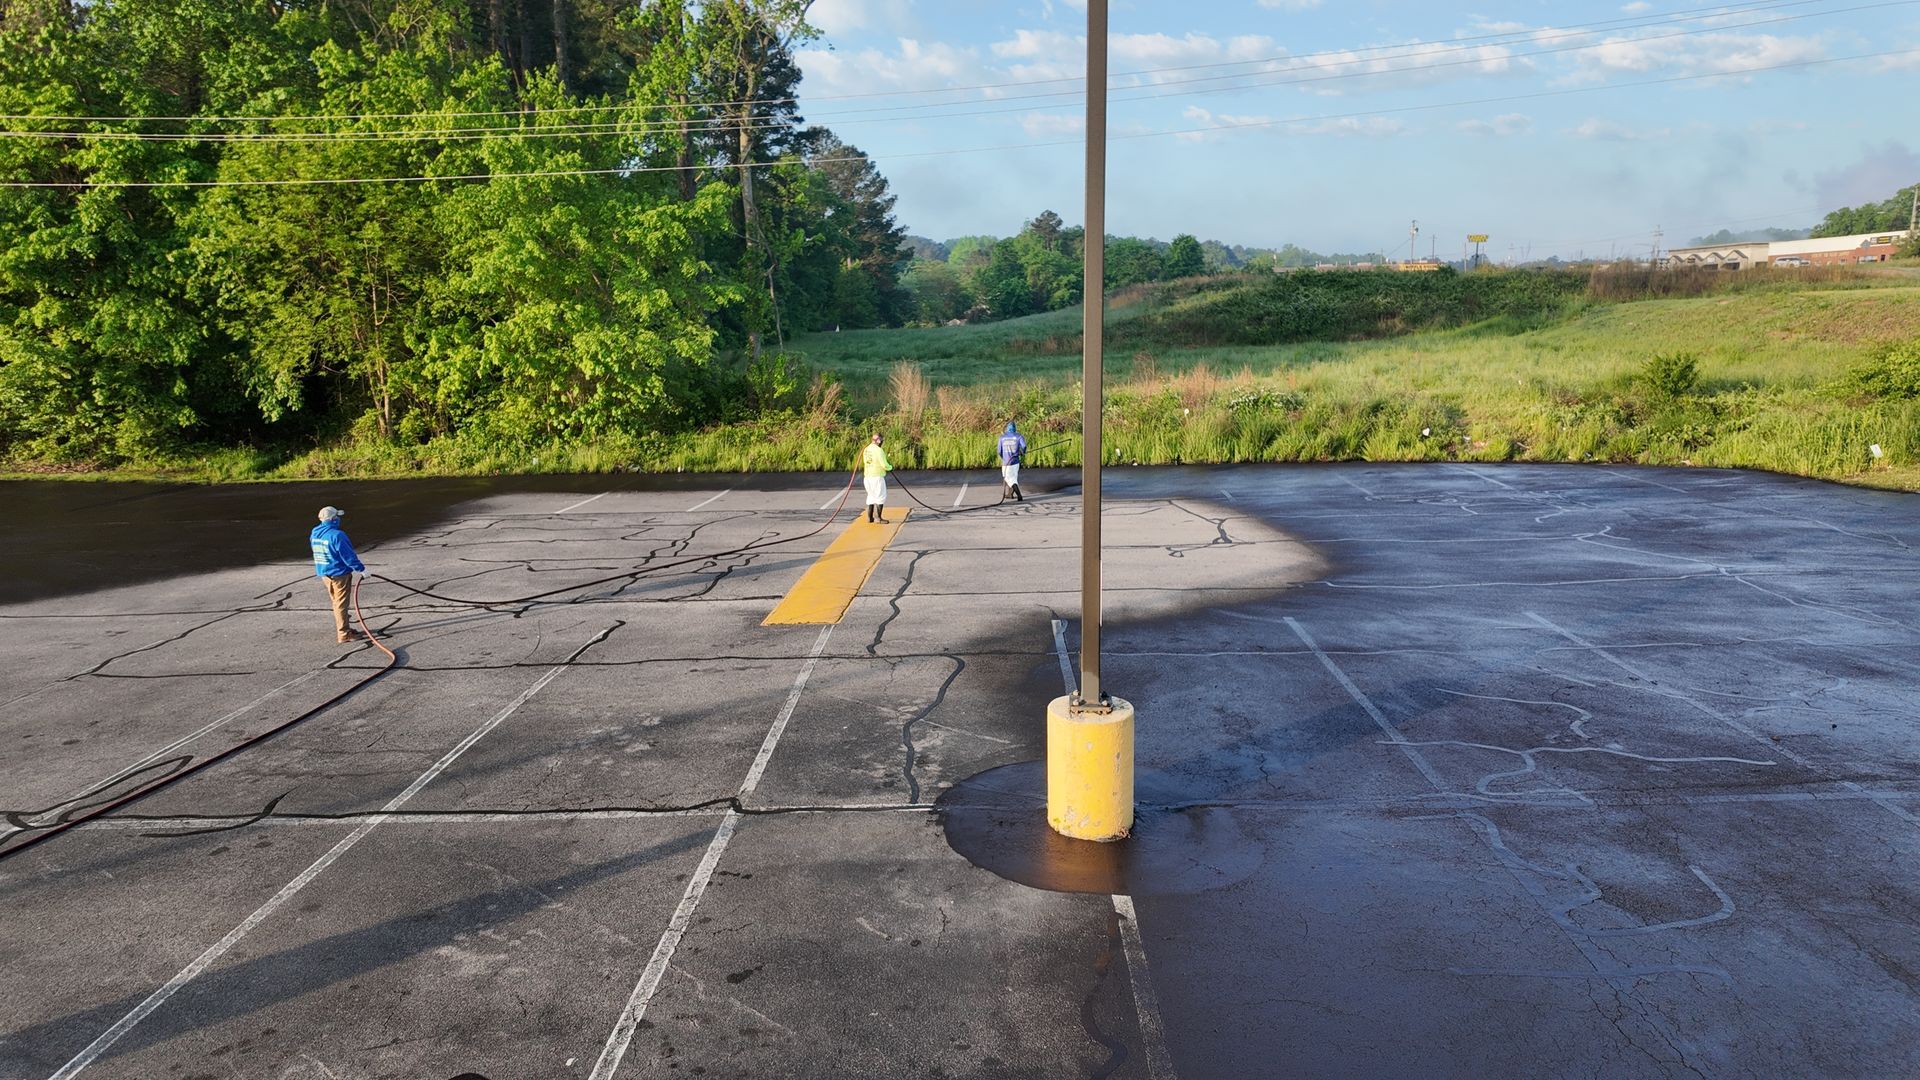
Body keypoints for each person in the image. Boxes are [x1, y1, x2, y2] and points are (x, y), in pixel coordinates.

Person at [310, 506, 367, 644]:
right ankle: (344, 633)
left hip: (325, 573)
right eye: (337, 516)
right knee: (341, 604)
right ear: (333, 519)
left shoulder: (315, 532)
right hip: (339, 574)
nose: (339, 519)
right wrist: (361, 569)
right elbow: (348, 556)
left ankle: (345, 628)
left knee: (336, 603)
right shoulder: (337, 535)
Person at [861, 432, 893, 523]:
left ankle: (869, 517)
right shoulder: (879, 450)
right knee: (880, 496)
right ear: (878, 440)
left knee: (871, 496)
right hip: (877, 477)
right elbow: (884, 465)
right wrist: (890, 467)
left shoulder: (866, 449)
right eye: (881, 440)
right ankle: (878, 518)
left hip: (867, 477)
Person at [996, 420, 1028, 502]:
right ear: (1015, 428)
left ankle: (1019, 495)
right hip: (1015, 462)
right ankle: (1010, 494)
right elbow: (1024, 446)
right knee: (1013, 478)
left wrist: (1003, 457)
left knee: (1008, 478)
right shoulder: (1019, 436)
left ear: (1007, 428)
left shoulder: (1002, 437)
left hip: (1006, 462)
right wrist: (1023, 452)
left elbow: (999, 451)